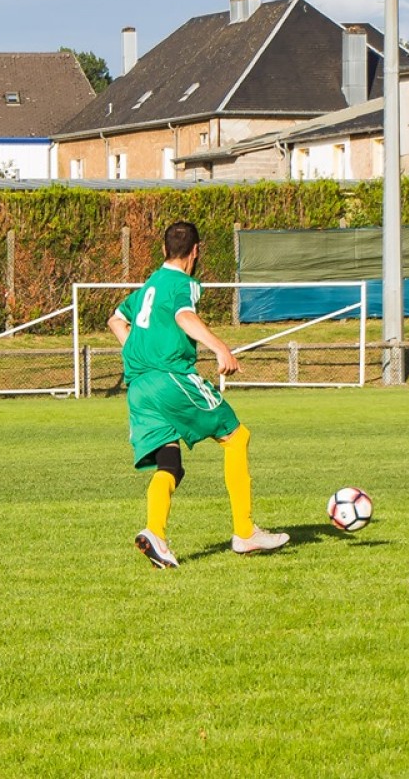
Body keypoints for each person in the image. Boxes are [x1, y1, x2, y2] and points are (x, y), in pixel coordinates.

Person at [108, 221, 288, 568]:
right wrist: (221, 348)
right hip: (169, 378)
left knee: (170, 464)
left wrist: (138, 352)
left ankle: (155, 534)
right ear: (196, 251)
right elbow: (184, 315)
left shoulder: (150, 284)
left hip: (139, 388)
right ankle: (245, 532)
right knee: (237, 437)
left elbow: (116, 320)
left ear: (163, 250)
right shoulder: (183, 283)